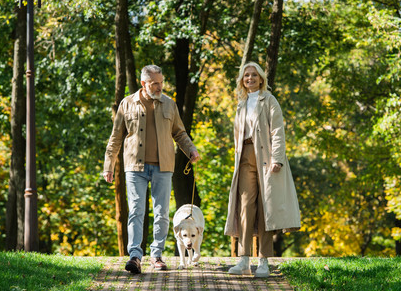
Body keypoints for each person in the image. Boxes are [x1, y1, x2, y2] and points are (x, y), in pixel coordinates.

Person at [103, 65, 200, 274]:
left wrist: (190, 150)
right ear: (143, 83)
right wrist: (108, 165)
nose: (159, 86)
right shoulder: (127, 104)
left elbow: (180, 133)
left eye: (161, 82)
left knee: (162, 214)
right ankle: (135, 256)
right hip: (134, 167)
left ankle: (157, 255)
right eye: (155, 83)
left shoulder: (169, 104)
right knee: (136, 211)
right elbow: (115, 137)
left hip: (163, 167)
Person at [224, 62, 301, 277]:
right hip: (245, 159)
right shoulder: (241, 104)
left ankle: (264, 261)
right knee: (245, 207)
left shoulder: (269, 100)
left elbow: (277, 131)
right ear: (242, 80)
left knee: (266, 208)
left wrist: (277, 158)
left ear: (261, 78)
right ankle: (244, 260)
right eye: (246, 75)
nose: (250, 78)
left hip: (267, 159)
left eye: (254, 75)